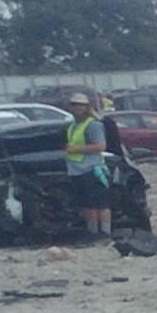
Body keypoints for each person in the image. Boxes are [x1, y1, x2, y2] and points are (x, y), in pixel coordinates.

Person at [63, 92, 112, 240]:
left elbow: (101, 146)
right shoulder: (73, 126)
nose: (76, 108)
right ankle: (92, 233)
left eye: (80, 105)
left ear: (86, 107)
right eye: (74, 105)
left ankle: (104, 233)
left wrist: (76, 149)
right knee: (87, 205)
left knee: (100, 204)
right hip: (77, 171)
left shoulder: (93, 125)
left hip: (92, 170)